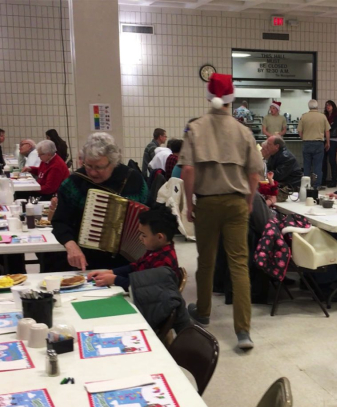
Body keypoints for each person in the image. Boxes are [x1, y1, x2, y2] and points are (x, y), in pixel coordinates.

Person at [180, 73, 262, 350]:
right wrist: (248, 201)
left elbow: (188, 170)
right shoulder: (243, 131)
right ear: (231, 98)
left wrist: (190, 203)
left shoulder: (195, 128)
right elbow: (254, 173)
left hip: (207, 202)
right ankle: (243, 331)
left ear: (208, 96)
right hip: (236, 203)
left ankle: (203, 311)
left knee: (206, 260)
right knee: (239, 264)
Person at [52, 133, 148, 271]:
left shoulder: (134, 179)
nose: (92, 172)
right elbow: (60, 222)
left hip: (129, 262)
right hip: (87, 261)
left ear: (113, 162)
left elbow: (151, 214)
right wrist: (71, 245)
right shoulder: (74, 183)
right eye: (88, 165)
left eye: (99, 167)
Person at [88, 205, 181, 291]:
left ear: (160, 237)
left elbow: (145, 287)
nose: (140, 238)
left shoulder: (164, 263)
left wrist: (115, 279)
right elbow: (135, 266)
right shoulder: (155, 249)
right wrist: (110, 272)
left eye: (144, 235)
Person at [298, 99, 330, 189]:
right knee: (318, 165)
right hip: (318, 144)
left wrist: (304, 138)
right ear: (317, 106)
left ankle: (306, 185)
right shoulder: (322, 116)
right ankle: (317, 185)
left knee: (306, 165)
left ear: (309, 107)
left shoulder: (304, 116)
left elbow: (299, 131)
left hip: (307, 143)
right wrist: (328, 142)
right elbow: (327, 131)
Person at [322, 100, 337, 188]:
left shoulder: (336, 117)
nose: (327, 107)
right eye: (326, 105)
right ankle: (323, 179)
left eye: (329, 105)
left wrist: (328, 140)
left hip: (333, 140)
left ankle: (334, 180)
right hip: (324, 139)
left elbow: (331, 127)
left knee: (332, 160)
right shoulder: (324, 116)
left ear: (333, 106)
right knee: (323, 161)